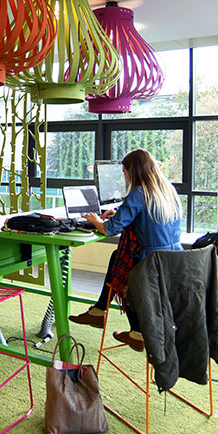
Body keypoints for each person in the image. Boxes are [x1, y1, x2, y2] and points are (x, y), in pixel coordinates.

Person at [73, 149, 183, 352]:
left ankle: (127, 327)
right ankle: (103, 313)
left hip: (150, 264)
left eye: (124, 172)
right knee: (117, 256)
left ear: (134, 171)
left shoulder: (139, 192)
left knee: (124, 273)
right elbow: (149, 219)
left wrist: (96, 220)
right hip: (174, 261)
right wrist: (119, 213)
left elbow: (109, 229)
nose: (124, 176)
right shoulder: (167, 190)